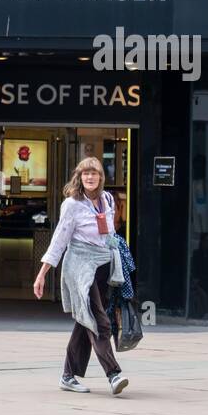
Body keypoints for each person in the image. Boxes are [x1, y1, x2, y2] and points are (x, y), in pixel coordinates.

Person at [33, 157, 130, 395]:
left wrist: (119, 260)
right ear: (79, 177)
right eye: (85, 173)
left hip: (102, 265)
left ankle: (68, 375)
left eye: (94, 173)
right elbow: (59, 240)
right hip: (79, 265)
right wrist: (42, 273)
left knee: (84, 320)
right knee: (98, 320)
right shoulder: (72, 204)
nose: (89, 177)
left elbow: (109, 234)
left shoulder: (107, 199)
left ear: (100, 177)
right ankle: (113, 373)